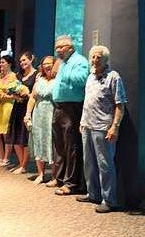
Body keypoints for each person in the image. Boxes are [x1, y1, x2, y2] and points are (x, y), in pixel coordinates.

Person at [77, 45, 126, 213]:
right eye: (93, 57)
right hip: (87, 126)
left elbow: (120, 104)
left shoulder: (114, 77)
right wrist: (82, 121)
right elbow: (88, 101)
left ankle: (109, 200)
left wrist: (115, 127)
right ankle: (93, 194)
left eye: (99, 57)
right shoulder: (90, 76)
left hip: (103, 128)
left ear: (105, 59)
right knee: (88, 163)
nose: (95, 60)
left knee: (105, 165)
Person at [49, 35, 89, 195]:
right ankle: (59, 178)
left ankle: (71, 183)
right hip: (59, 107)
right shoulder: (64, 63)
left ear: (70, 47)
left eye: (61, 47)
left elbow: (82, 79)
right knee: (59, 146)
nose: (58, 50)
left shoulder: (79, 61)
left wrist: (62, 72)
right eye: (57, 47)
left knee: (71, 146)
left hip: (71, 108)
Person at [25, 55, 56, 184]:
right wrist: (27, 114)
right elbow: (32, 98)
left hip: (52, 114)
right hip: (38, 114)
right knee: (38, 141)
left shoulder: (58, 80)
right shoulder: (39, 79)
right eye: (45, 64)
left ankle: (55, 176)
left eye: (50, 63)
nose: (47, 66)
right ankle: (41, 174)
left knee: (52, 142)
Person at [5, 51, 36, 174]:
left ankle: (24, 165)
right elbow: (11, 91)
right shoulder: (18, 75)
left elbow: (35, 94)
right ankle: (21, 163)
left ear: (31, 59)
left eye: (24, 60)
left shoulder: (36, 75)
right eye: (21, 61)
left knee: (26, 137)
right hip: (17, 108)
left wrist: (27, 94)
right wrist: (15, 96)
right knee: (16, 136)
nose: (22, 63)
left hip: (28, 109)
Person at [0, 55, 18, 167]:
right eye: (0, 63)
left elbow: (15, 95)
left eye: (3, 62)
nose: (0, 64)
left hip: (7, 106)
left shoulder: (13, 76)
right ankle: (1, 157)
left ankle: (6, 158)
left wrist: (3, 96)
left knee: (5, 133)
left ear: (9, 64)